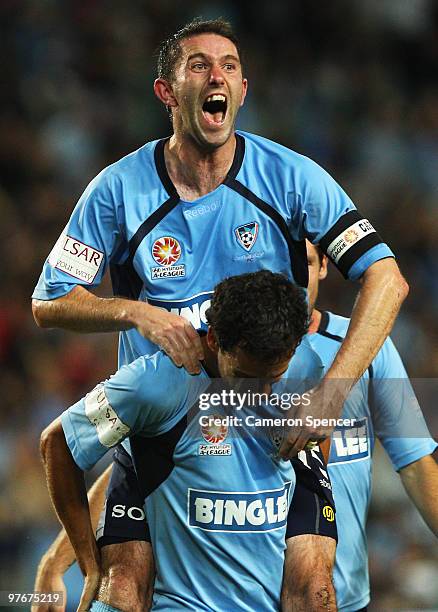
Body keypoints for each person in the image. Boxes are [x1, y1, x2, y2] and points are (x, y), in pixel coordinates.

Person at [32, 17, 408, 456]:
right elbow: (48, 302)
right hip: (166, 432)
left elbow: (387, 278)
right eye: (198, 66)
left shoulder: (293, 178)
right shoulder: (117, 191)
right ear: (166, 93)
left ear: (242, 91)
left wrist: (329, 395)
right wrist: (135, 312)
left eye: (229, 67)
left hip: (271, 428)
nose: (216, 76)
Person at [39, 271, 337, 612]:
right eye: (244, 378)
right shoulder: (154, 384)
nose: (262, 395)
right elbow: (57, 443)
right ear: (213, 339)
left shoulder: (306, 365)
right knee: (118, 589)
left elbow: (321, 434)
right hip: (177, 581)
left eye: (274, 379)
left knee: (318, 593)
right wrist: (88, 563)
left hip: (270, 550)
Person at [282, 243, 438, 611]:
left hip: (345, 595)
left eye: (304, 262)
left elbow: (416, 463)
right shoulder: (229, 354)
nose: (293, 275)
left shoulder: (367, 343)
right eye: (281, 261)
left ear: (323, 266)